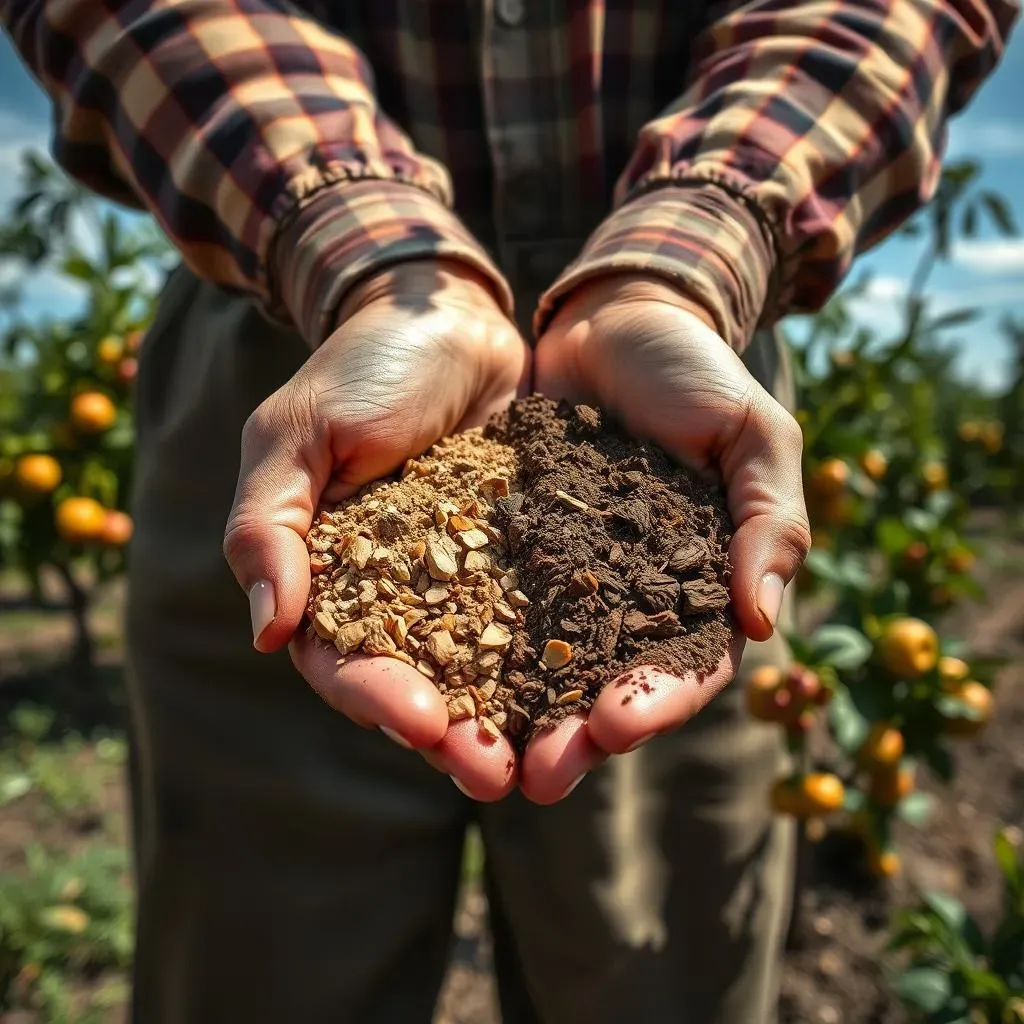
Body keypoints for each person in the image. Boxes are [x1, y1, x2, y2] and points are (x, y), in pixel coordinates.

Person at [3, 0, 1016, 1020]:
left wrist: (681, 261)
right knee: (255, 972)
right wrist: (376, 254)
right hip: (299, 354)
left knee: (653, 974)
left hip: (674, 385)